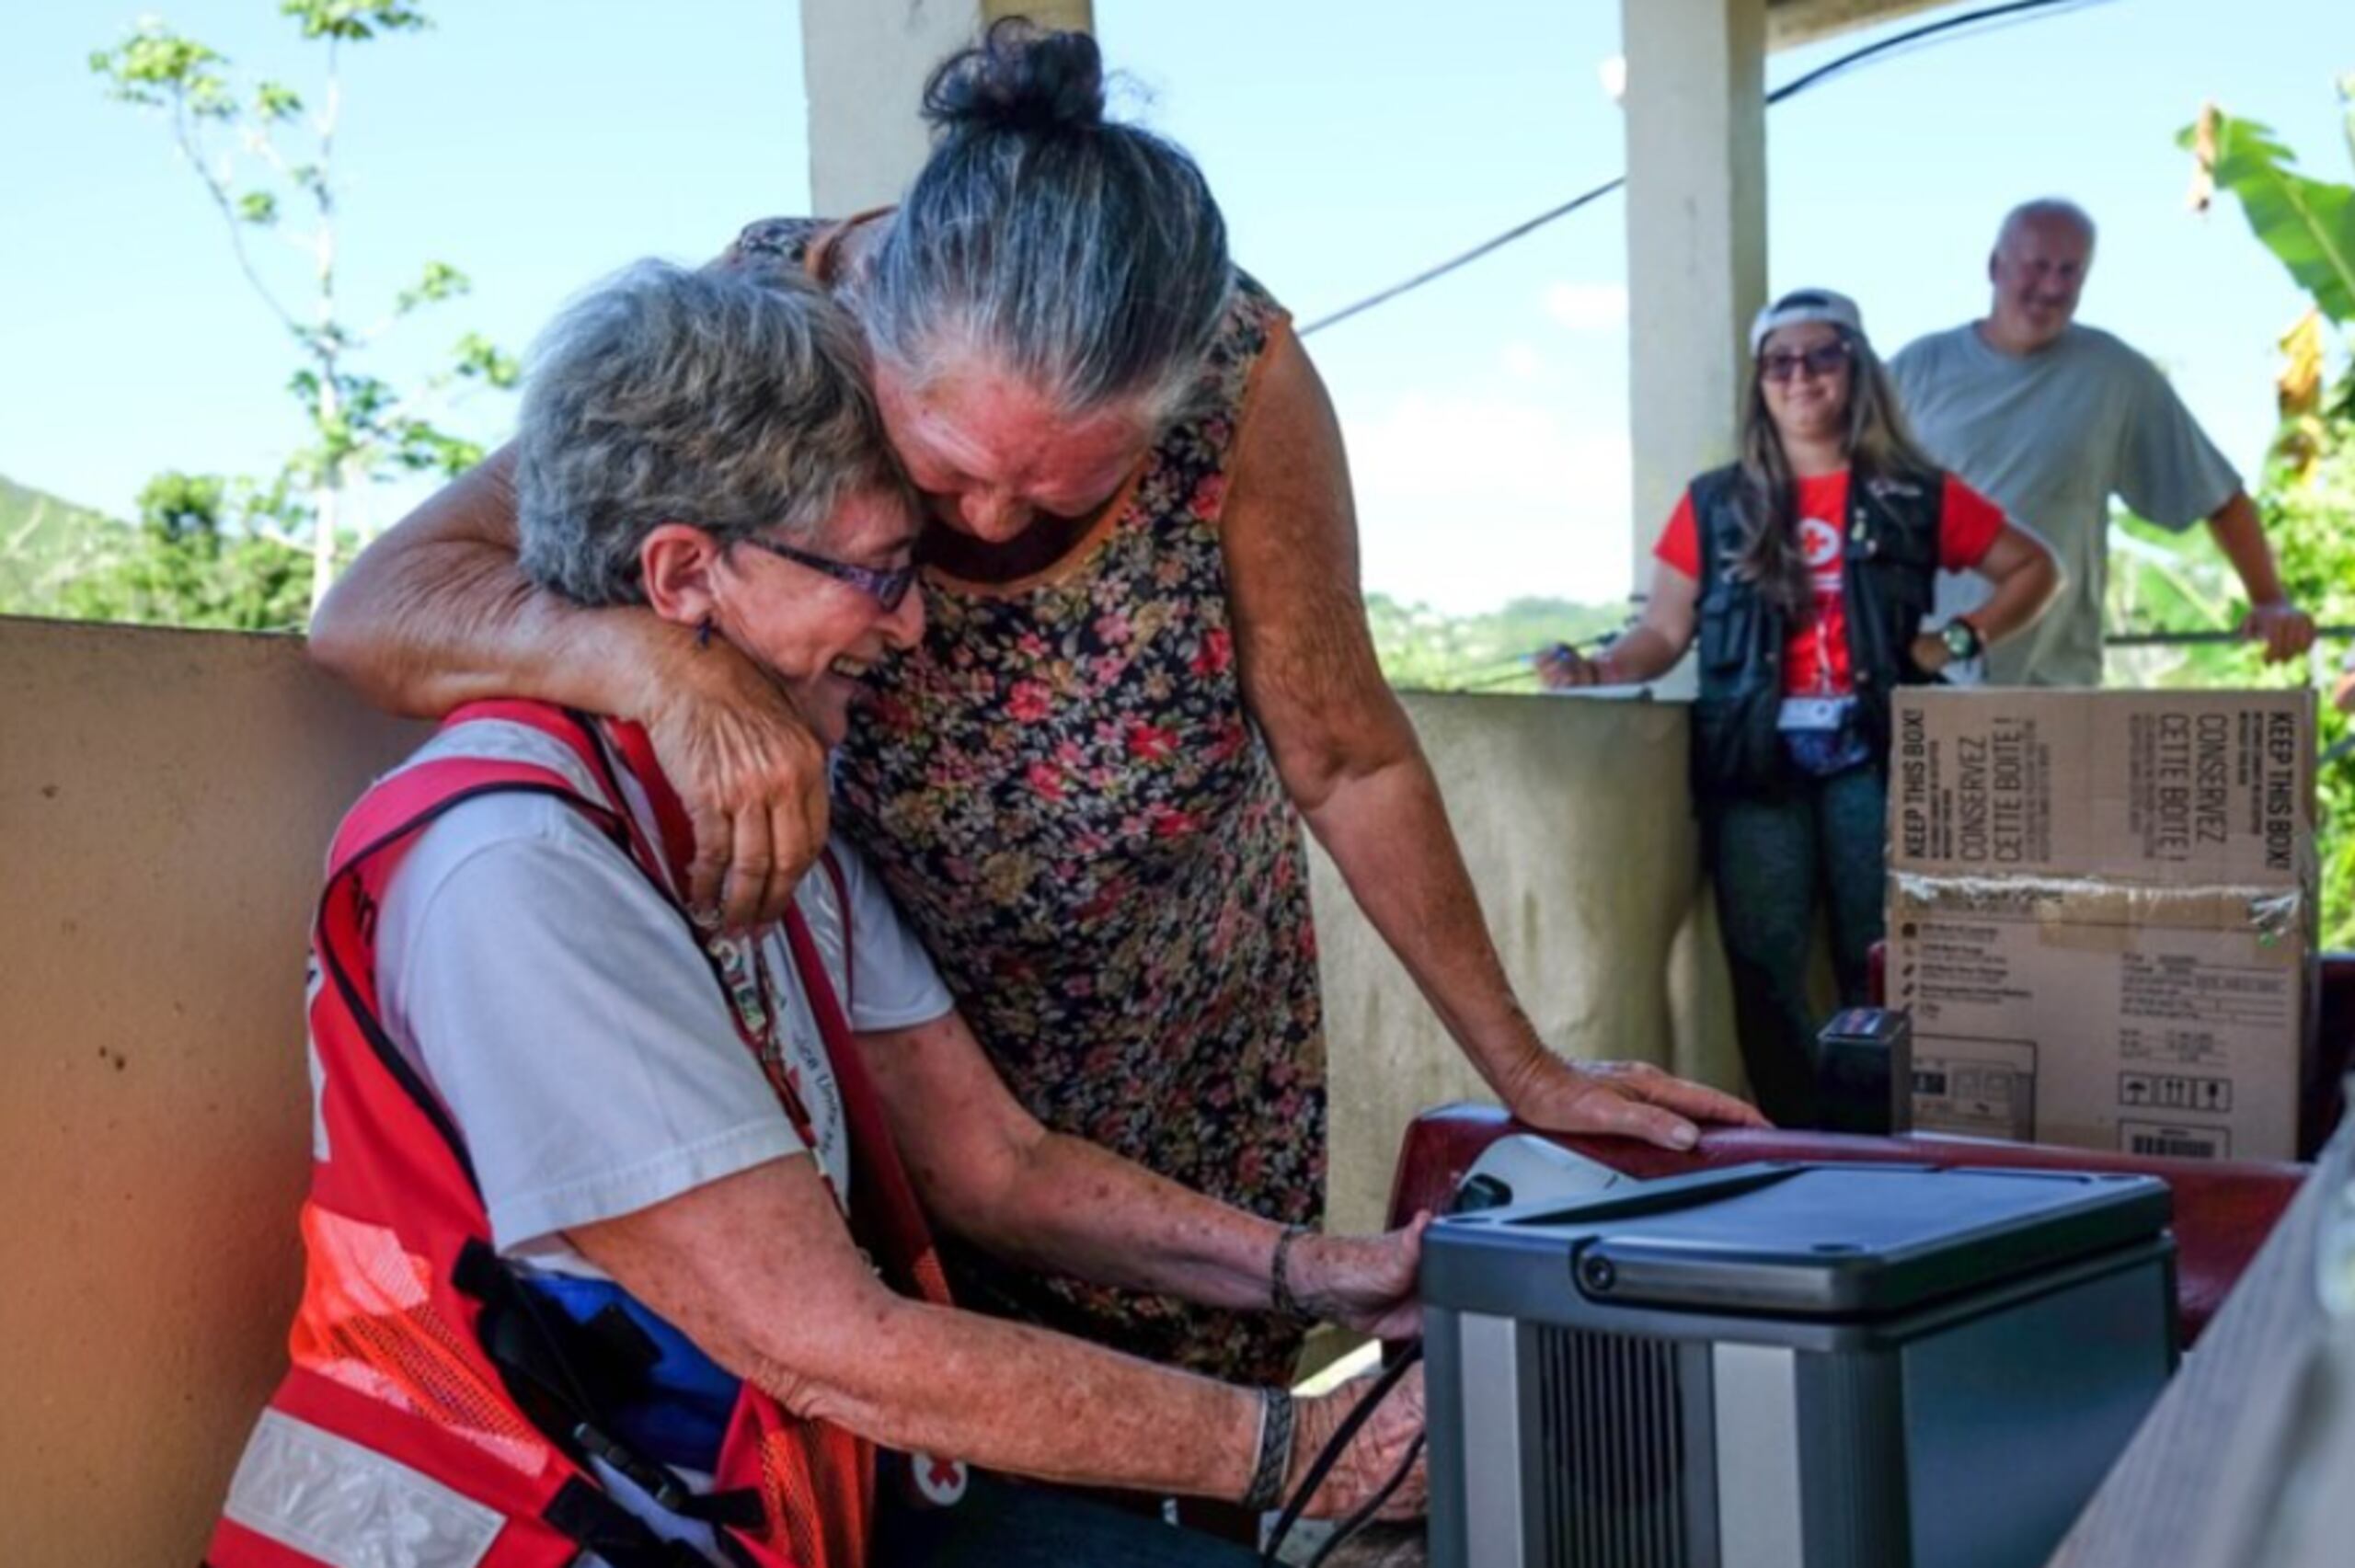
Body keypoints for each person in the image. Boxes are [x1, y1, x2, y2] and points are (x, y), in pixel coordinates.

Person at [307, 21, 1764, 1391]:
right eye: (938, 481)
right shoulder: (757, 339)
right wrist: (659, 667)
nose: (982, 533)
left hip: (1186, 1038)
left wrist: (1522, 1063)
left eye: (1063, 489)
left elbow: (1346, 753)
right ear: (869, 332)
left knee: (1205, 1442)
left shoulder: (1243, 380)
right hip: (893, 1041)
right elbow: (387, 598)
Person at [212, 260, 1430, 1568]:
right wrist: (1298, 1446)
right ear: (684, 573)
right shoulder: (522, 865)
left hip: (718, 1505)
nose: (911, 628)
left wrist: (1324, 1270)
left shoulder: (737, 799)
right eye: (878, 573)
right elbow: (833, 1344)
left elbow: (996, 1165)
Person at [1541, 290, 2058, 1127]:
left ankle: (1881, 1131)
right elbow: (1664, 630)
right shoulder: (1714, 503)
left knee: (1882, 954)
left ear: (1856, 367)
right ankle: (1794, 1132)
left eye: (1823, 355)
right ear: (1760, 382)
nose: (1802, 376)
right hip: (1754, 762)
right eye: (1780, 361)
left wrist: (1953, 642)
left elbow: (2035, 568)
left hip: (1875, 749)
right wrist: (1597, 669)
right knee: (1764, 956)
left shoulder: (1911, 493)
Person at [1890, 198, 2315, 686]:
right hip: (1923, 672)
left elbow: (2218, 494)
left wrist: (2270, 600)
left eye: (2070, 272)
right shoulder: (1916, 370)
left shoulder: (2116, 377)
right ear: (1994, 267)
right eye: (2037, 267)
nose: (2051, 287)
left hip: (2052, 681)